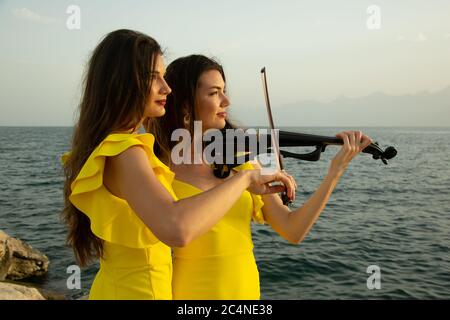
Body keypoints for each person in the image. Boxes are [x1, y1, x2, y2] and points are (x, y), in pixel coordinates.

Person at [61, 30, 294, 300]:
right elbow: (177, 227)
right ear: (123, 81)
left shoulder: (116, 147)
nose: (166, 87)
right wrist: (243, 179)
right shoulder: (126, 151)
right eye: (154, 77)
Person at [154, 54, 373, 299]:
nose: (226, 101)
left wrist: (335, 172)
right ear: (185, 104)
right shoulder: (160, 169)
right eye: (214, 93)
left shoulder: (240, 161)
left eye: (224, 91)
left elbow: (293, 230)